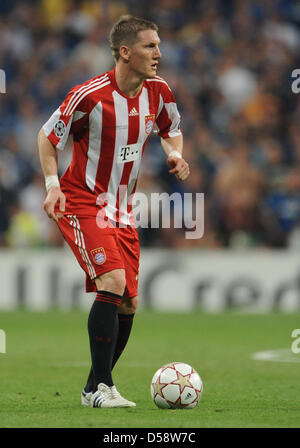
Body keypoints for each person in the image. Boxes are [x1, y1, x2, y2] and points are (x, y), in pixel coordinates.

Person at [37, 15, 190, 408]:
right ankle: (101, 387)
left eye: (158, 45)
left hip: (123, 209)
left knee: (128, 302)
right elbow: (47, 135)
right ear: (125, 52)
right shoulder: (89, 95)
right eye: (149, 46)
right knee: (113, 281)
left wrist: (175, 154)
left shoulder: (158, 92)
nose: (159, 53)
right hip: (83, 199)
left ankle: (94, 387)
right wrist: (53, 186)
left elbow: (171, 128)